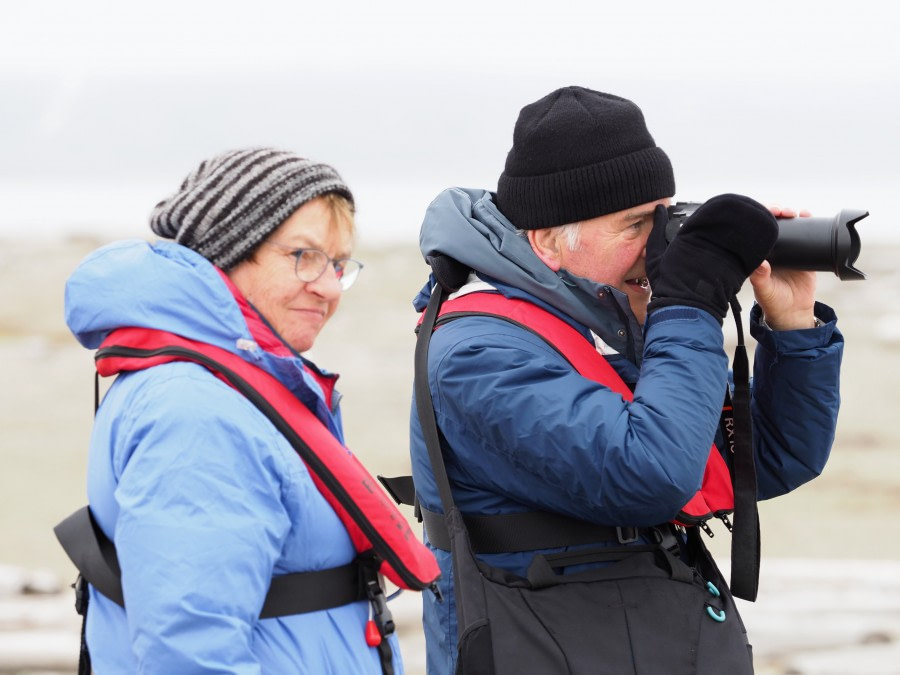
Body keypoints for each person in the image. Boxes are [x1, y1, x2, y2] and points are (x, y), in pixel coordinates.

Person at [408, 87, 843, 673]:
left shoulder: (603, 327)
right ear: (546, 242)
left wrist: (791, 326)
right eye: (636, 225)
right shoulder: (479, 352)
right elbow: (651, 476)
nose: (658, 249)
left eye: (666, 220)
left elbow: (768, 460)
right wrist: (687, 304)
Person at [63, 148, 428, 673]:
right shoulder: (196, 412)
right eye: (303, 256)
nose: (328, 287)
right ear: (227, 253)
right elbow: (187, 653)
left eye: (340, 264)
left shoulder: (229, 384)